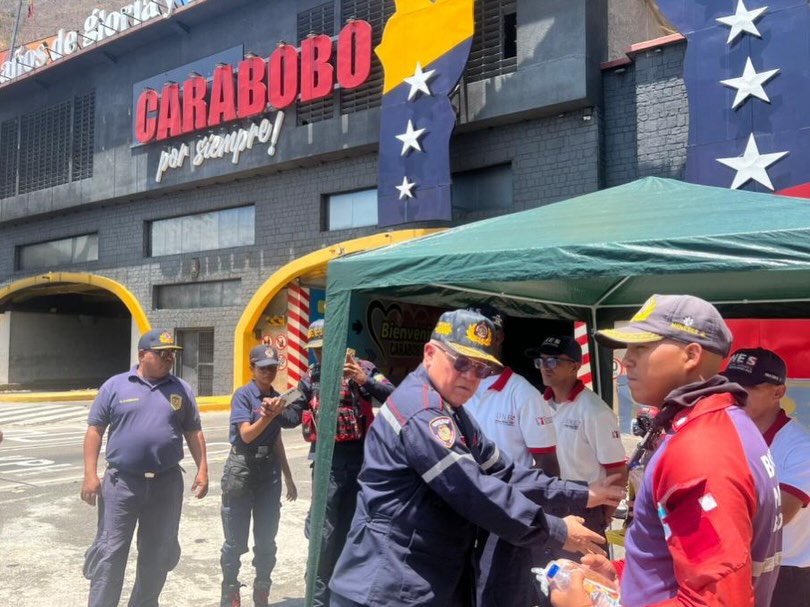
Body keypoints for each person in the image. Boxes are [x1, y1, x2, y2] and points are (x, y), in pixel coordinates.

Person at [329, 309, 626, 607]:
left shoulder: (452, 410)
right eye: (461, 363)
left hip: (421, 576)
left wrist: (582, 493)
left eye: (481, 369)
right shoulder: (423, 412)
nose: (470, 377)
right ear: (430, 353)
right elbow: (472, 491)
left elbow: (505, 472)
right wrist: (556, 531)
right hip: (390, 582)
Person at [551, 294, 782, 607]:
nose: (627, 359)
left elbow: (715, 602)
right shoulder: (720, 422)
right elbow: (687, 561)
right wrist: (624, 573)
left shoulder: (701, 448)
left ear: (690, 355)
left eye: (641, 347)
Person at [80, 328, 209, 607]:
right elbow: (94, 432)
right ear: (142, 355)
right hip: (122, 484)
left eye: (172, 354)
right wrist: (90, 474)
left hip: (166, 483)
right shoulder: (116, 386)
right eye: (162, 354)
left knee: (158, 553)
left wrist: (202, 469)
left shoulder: (181, 389)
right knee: (110, 553)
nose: (168, 359)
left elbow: (193, 431)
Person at [279, 318, 394, 607]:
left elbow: (395, 398)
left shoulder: (362, 369)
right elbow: (293, 415)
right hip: (326, 469)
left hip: (359, 467)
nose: (319, 355)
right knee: (322, 537)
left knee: (353, 532)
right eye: (315, 350)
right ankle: (317, 600)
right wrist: (274, 410)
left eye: (324, 349)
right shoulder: (311, 376)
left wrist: (364, 381)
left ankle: (343, 596)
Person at [464, 305, 560, 607]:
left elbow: (547, 466)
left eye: (483, 332)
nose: (475, 340)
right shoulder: (458, 387)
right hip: (460, 509)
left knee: (497, 595)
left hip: (503, 516)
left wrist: (537, 526)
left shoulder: (521, 393)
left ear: (500, 336)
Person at [722, 347, 810, 606]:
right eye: (730, 385)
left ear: (778, 392)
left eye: (747, 387)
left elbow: (776, 514)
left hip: (788, 572)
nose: (734, 395)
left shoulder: (800, 446)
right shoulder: (727, 434)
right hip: (736, 565)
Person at [527, 335, 627, 545]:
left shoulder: (594, 411)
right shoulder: (537, 404)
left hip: (586, 507)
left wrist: (604, 516)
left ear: (574, 368)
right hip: (548, 501)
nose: (545, 367)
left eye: (553, 361)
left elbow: (617, 472)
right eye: (541, 361)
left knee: (584, 574)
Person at [220, 344, 299, 607]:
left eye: (273, 368)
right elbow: (246, 435)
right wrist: (268, 415)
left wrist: (288, 477)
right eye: (263, 368)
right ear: (252, 369)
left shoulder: (277, 398)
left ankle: (262, 590)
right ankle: (230, 591)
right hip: (242, 469)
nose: (268, 372)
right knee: (235, 541)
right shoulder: (243, 396)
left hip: (269, 474)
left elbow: (276, 439)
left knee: (267, 539)